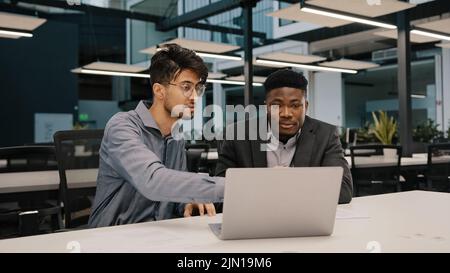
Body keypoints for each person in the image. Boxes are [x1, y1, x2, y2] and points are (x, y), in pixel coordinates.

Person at [88, 44, 224, 228]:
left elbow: (170, 195)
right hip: (113, 238)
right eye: (186, 87)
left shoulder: (176, 137)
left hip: (157, 236)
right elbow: (153, 181)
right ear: (159, 91)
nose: (195, 97)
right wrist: (231, 187)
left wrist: (187, 202)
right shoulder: (123, 126)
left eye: (198, 88)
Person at [215, 68, 353, 204]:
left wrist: (291, 181)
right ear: (266, 107)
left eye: (295, 105)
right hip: (254, 217)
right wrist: (266, 182)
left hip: (303, 218)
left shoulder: (325, 134)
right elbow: (220, 190)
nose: (286, 113)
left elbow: (344, 190)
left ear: (306, 106)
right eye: (276, 105)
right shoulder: (237, 134)